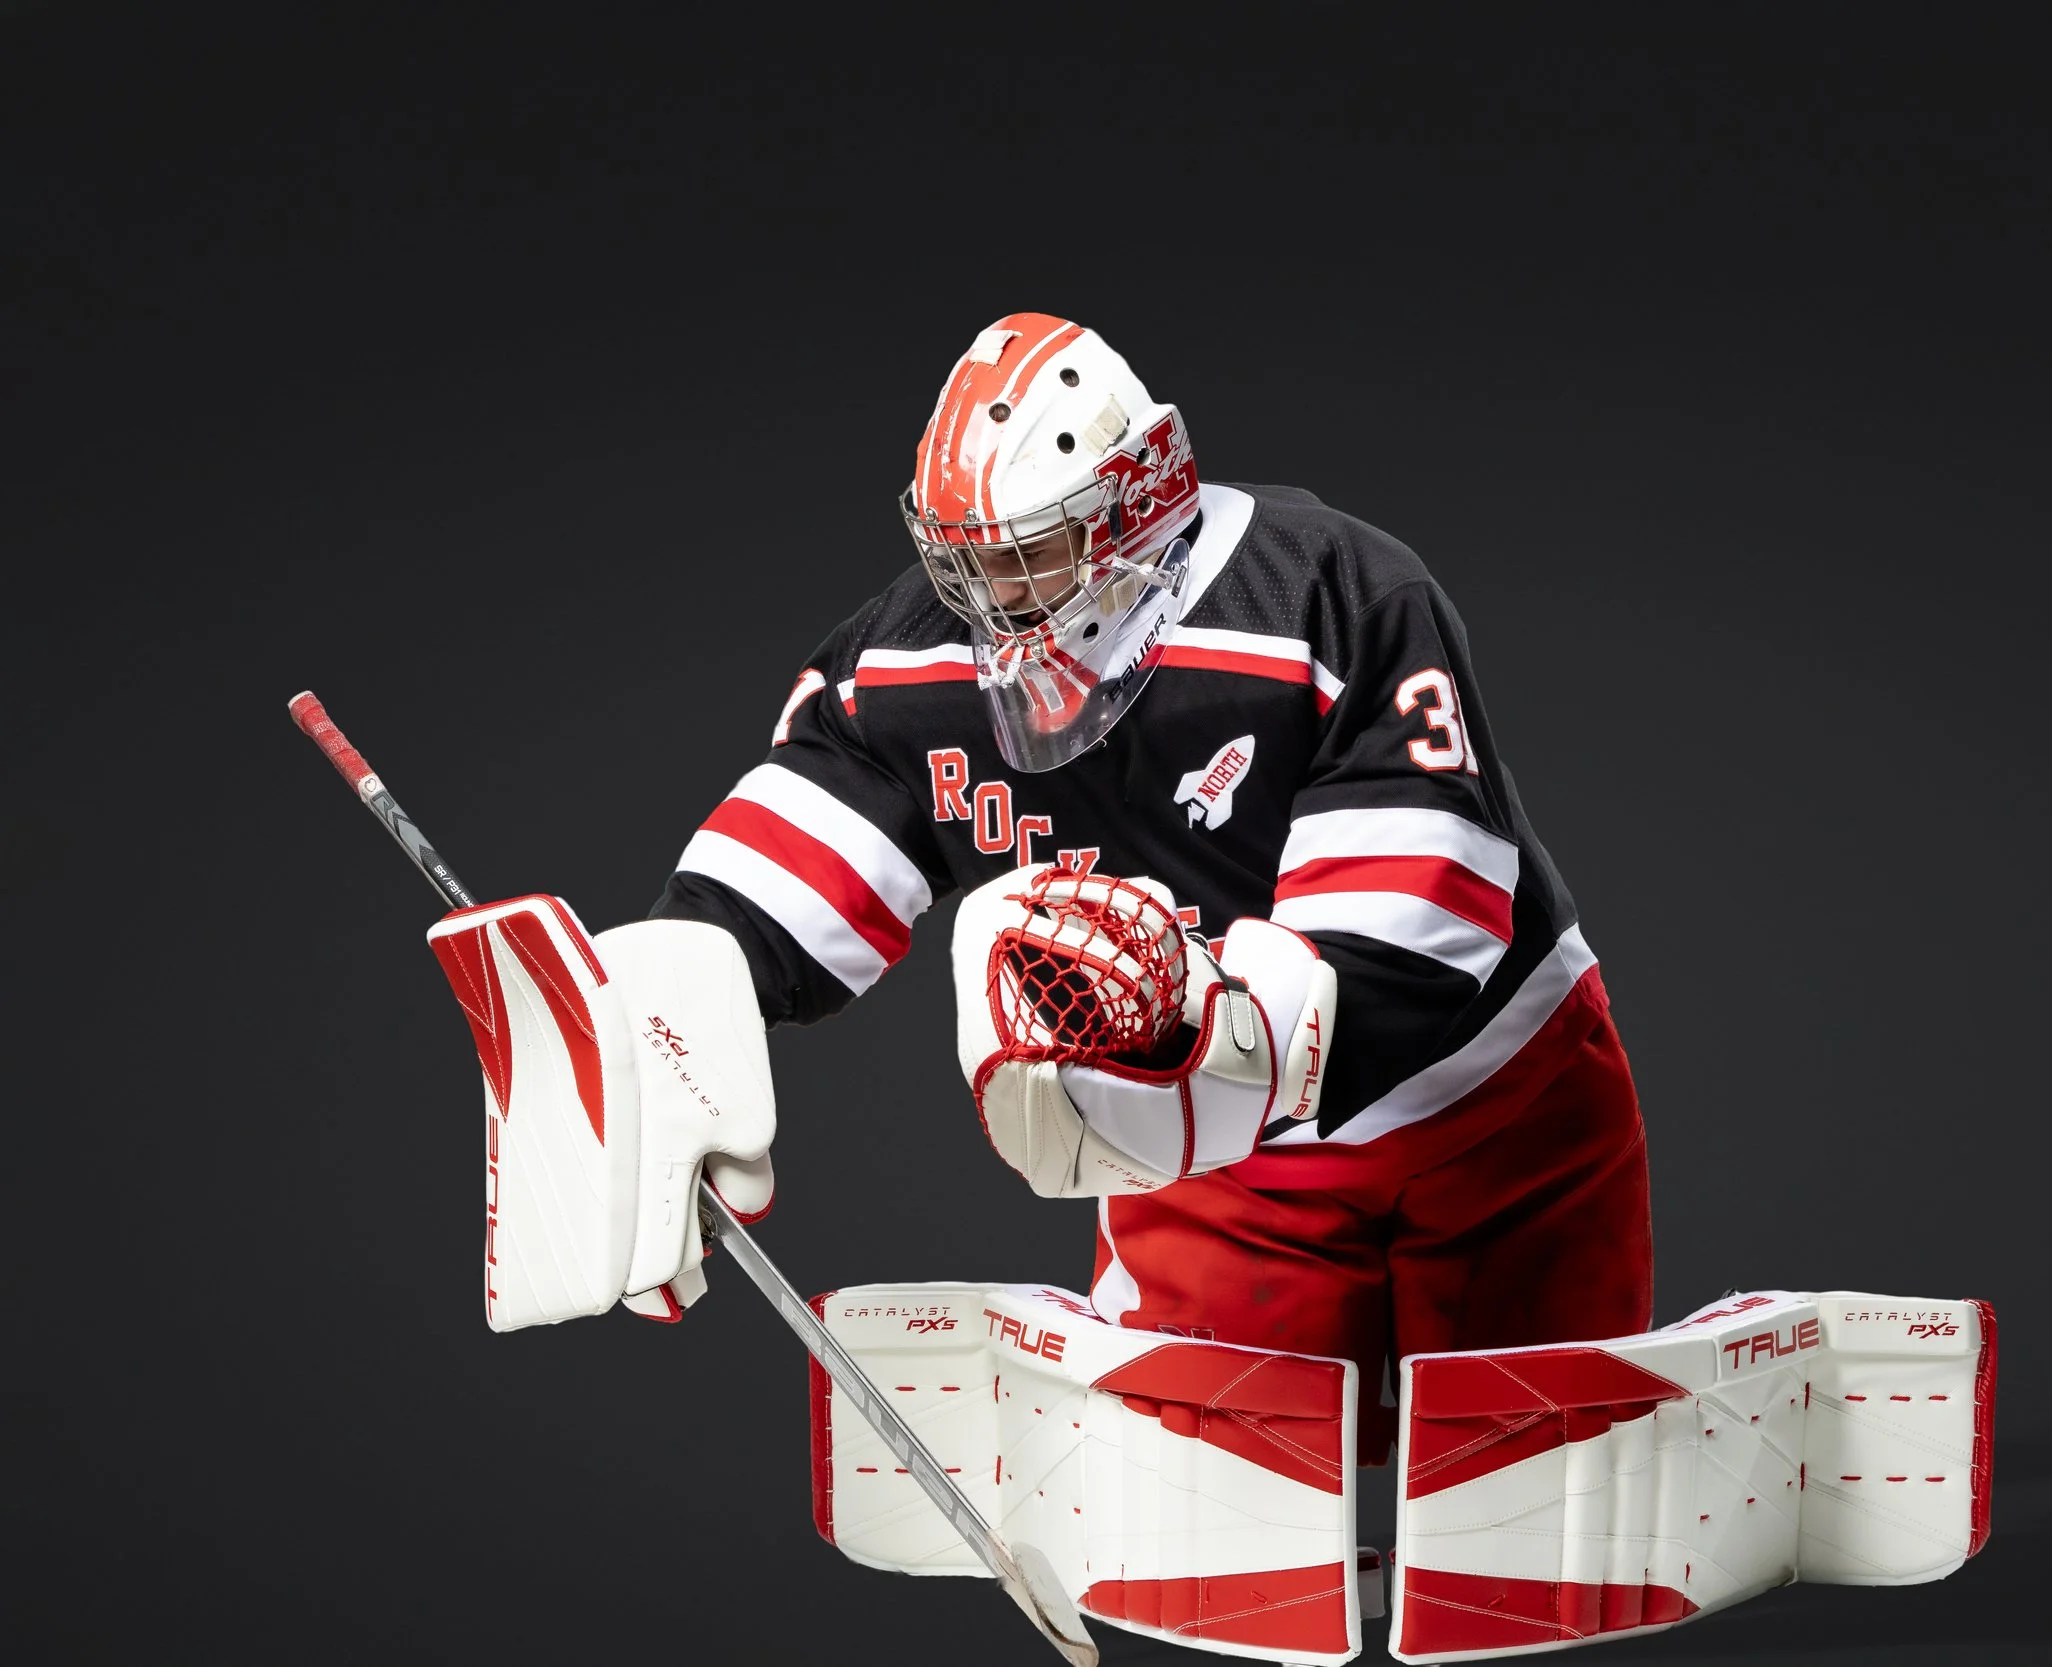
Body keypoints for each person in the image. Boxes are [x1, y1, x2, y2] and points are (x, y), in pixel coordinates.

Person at [648, 313, 1652, 1461]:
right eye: (962, 559)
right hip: (1202, 1141)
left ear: (1140, 500)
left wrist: (1218, 1046)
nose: (991, 604)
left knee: (1530, 1497)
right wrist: (663, 1014)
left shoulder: (1331, 591)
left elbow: (1419, 916)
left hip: (1494, 1100)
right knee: (1216, 1509)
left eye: (1026, 552)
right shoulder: (906, 656)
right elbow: (794, 853)